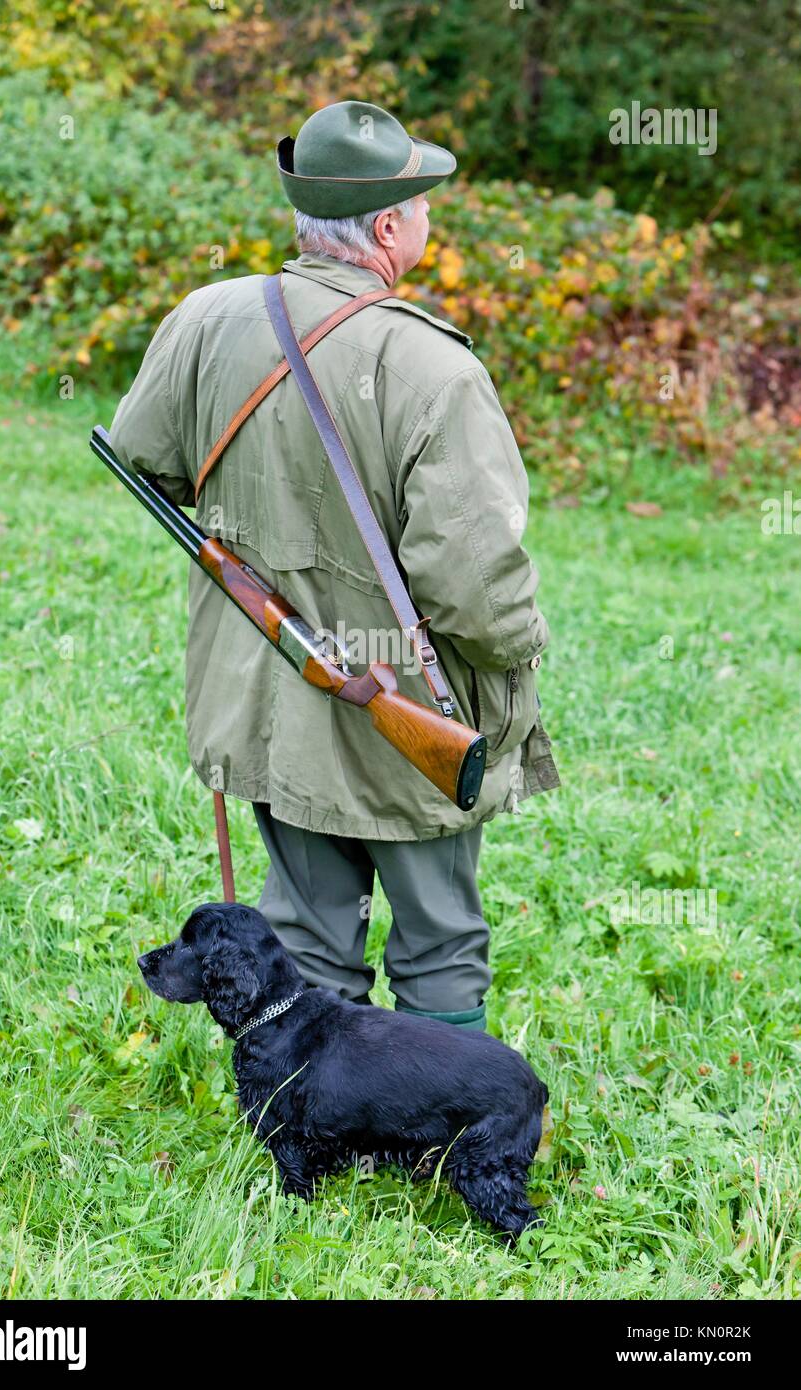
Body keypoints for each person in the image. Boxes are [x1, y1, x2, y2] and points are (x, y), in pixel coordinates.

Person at [110, 100, 559, 1031]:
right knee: (437, 941)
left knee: (311, 931)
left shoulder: (207, 315)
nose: (432, 217)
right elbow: (475, 590)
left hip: (270, 698)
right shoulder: (434, 369)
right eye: (423, 202)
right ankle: (444, 1122)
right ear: (388, 227)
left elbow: (145, 455)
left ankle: (309, 1108)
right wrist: (522, 655)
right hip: (407, 711)